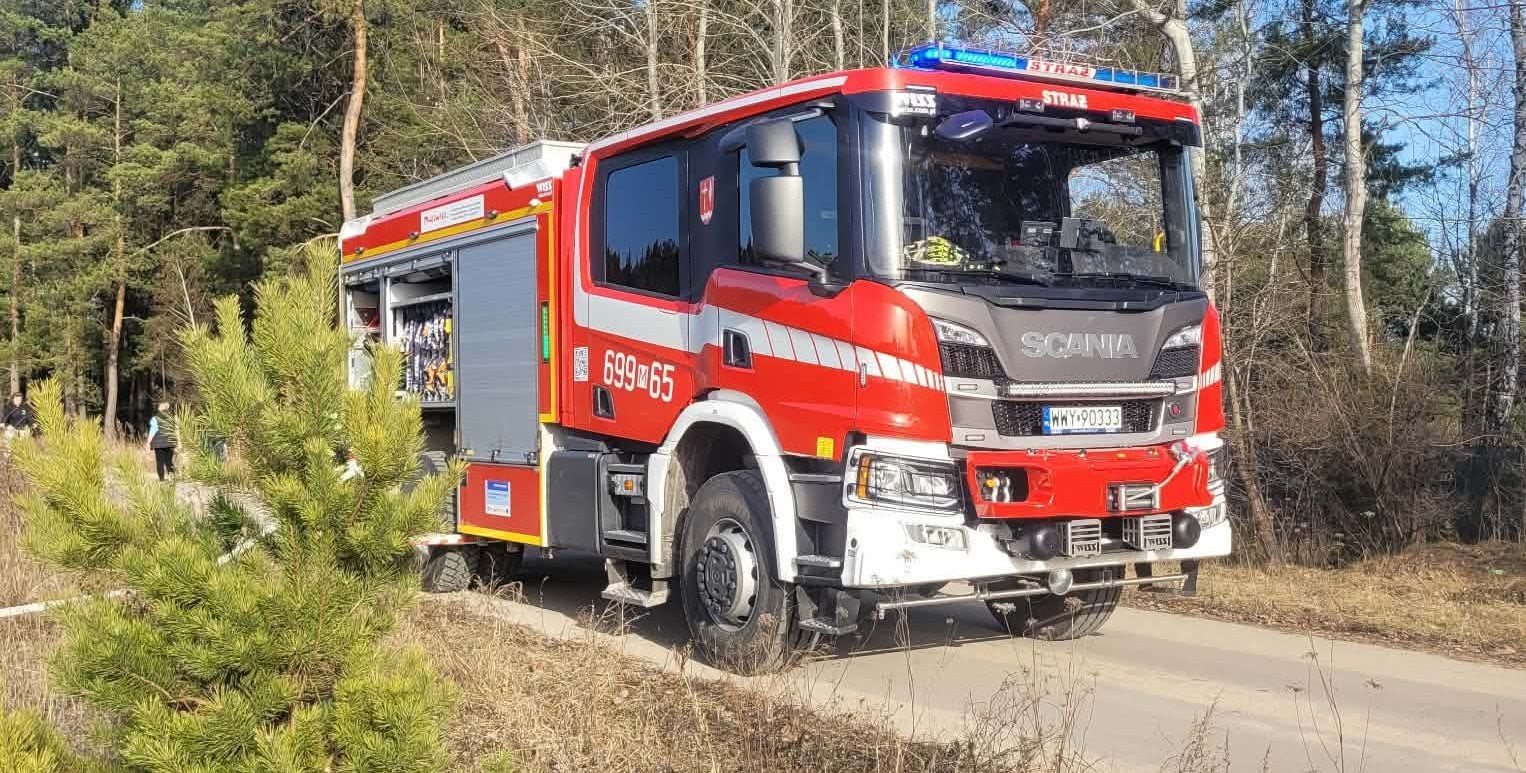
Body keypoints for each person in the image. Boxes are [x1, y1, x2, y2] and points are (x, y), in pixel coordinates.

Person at [147, 402, 176, 481]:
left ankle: (162, 479)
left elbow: (153, 431)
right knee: (169, 461)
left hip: (158, 444)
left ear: (160, 408)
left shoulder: (155, 418)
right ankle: (172, 478)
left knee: (160, 462)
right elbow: (176, 431)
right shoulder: (173, 418)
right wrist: (178, 442)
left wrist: (148, 443)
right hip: (170, 442)